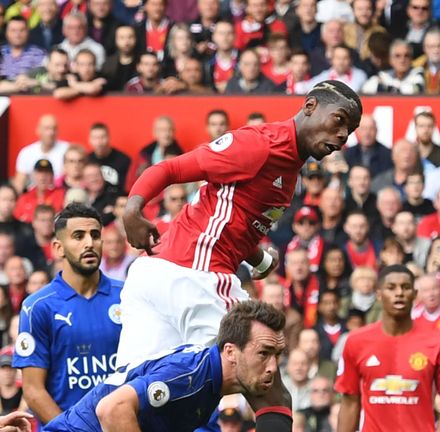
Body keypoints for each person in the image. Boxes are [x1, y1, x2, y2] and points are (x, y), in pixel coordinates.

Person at [118, 81, 362, 373]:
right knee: (260, 368)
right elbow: (170, 168)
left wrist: (258, 258)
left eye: (350, 130)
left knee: (137, 390)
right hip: (196, 274)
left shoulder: (290, 168)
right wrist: (132, 209)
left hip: (157, 274)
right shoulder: (259, 144)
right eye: (340, 120)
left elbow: (233, 220)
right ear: (310, 106)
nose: (343, 134)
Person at [44, 300, 294, 432]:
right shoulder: (189, 376)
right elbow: (112, 409)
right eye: (264, 353)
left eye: (278, 354)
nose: (273, 366)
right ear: (230, 351)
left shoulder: (210, 382)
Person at [12, 203, 123, 424]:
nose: (89, 243)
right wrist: (73, 430)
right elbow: (33, 391)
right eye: (78, 236)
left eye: (95, 235)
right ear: (58, 248)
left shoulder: (128, 296)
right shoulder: (37, 307)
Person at [335, 265, 440, 432]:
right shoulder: (356, 341)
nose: (399, 293)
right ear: (379, 294)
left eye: (406, 287)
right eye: (391, 288)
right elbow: (349, 403)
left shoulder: (439, 343)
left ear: (415, 295)